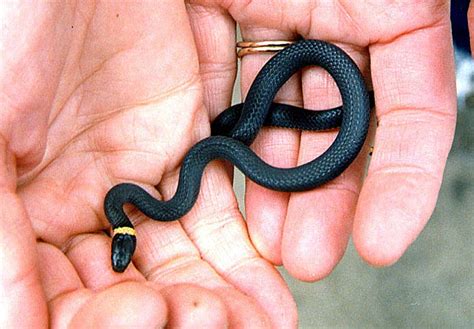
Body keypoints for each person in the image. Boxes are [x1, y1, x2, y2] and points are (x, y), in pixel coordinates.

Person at [0, 1, 457, 327]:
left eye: (121, 250)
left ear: (124, 232)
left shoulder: (132, 201)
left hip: (290, 93)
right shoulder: (123, 201)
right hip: (246, 126)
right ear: (125, 230)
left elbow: (223, 144)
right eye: (124, 249)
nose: (122, 253)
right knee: (233, 132)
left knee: (233, 132)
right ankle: (370, 101)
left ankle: (431, 68)